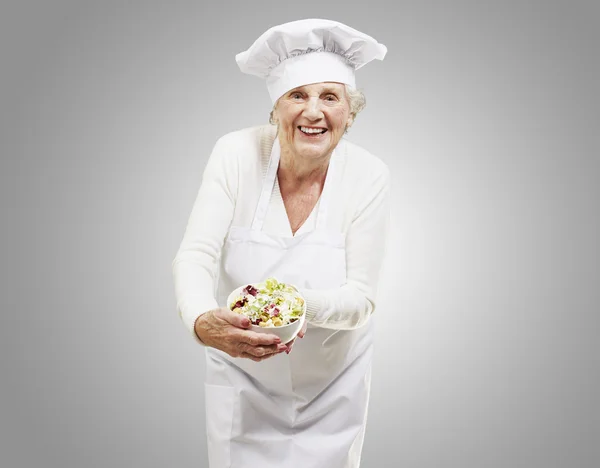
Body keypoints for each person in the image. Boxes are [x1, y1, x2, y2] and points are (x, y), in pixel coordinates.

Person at [172, 18, 390, 468]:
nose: (313, 112)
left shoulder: (369, 174)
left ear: (350, 114)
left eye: (330, 97)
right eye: (298, 95)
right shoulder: (235, 153)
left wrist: (291, 305)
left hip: (332, 388)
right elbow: (196, 255)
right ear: (275, 108)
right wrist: (199, 320)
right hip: (243, 379)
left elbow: (362, 300)